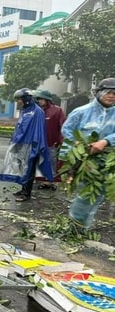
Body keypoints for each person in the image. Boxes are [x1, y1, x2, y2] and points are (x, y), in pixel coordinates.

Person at [60, 78, 115, 230]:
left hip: (108, 161)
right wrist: (79, 143)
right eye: (108, 92)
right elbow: (67, 129)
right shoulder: (82, 112)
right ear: (99, 93)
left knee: (99, 194)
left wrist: (105, 142)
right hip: (87, 161)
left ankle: (82, 227)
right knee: (87, 194)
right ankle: (76, 228)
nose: (112, 96)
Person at [0, 88, 53, 202]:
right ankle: (22, 189)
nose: (18, 102)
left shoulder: (37, 111)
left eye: (19, 99)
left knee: (29, 169)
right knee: (22, 168)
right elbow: (20, 127)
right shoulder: (25, 110)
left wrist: (36, 146)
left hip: (31, 145)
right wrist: (14, 140)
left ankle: (26, 193)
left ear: (26, 99)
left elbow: (39, 130)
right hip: (22, 144)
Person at [35, 89, 66, 190]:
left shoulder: (57, 110)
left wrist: (61, 140)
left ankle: (52, 182)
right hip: (39, 142)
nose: (39, 101)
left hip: (52, 142)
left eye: (41, 99)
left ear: (47, 99)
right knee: (40, 161)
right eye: (38, 99)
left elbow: (63, 126)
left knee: (52, 162)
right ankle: (43, 181)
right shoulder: (37, 110)